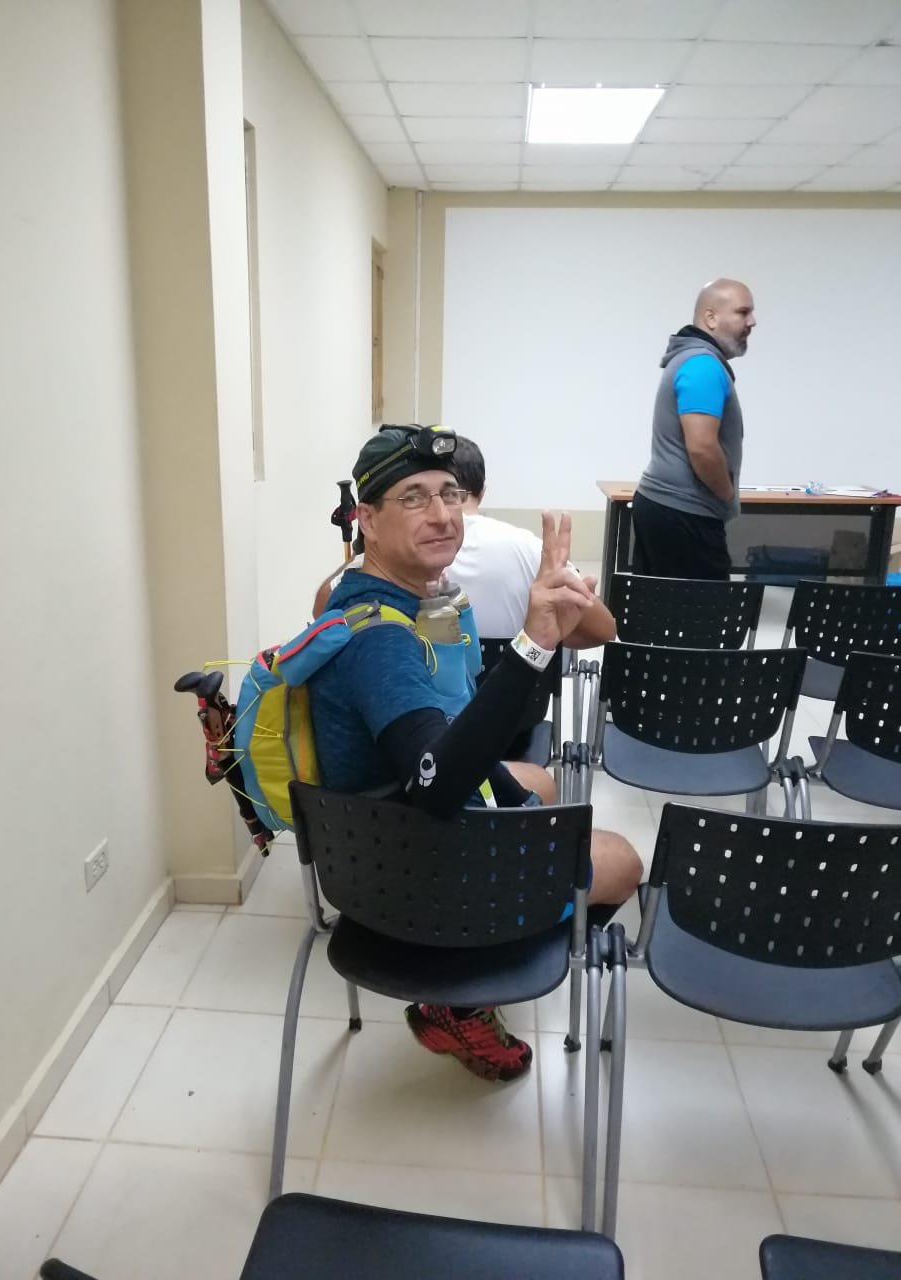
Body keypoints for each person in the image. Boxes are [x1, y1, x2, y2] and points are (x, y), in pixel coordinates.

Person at [307, 425, 642, 1083]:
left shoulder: (400, 594)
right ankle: (460, 997)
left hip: (384, 817)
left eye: (450, 494)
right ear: (367, 520)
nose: (442, 514)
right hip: (406, 860)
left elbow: (452, 722)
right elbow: (435, 786)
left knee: (541, 782)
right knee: (623, 861)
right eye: (414, 497)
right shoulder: (380, 637)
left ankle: (495, 937)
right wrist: (533, 646)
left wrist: (520, 798)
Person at [632, 278, 756, 581]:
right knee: (703, 609)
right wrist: (726, 495)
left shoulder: (692, 359)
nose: (752, 322)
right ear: (710, 318)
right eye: (743, 312)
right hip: (685, 513)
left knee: (661, 606)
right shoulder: (703, 365)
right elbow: (701, 447)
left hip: (667, 509)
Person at [450, 436, 616, 647]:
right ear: (482, 493)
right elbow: (605, 630)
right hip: (524, 665)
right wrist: (540, 639)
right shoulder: (529, 548)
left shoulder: (411, 557)